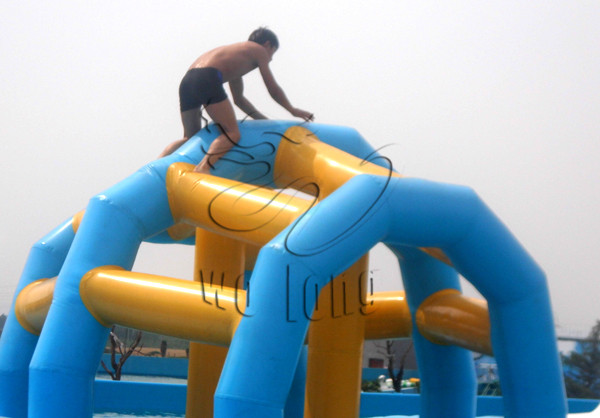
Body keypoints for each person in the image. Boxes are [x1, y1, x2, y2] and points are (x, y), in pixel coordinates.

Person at [159, 27, 314, 173]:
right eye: (272, 53)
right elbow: (272, 88)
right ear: (267, 44)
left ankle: (156, 166)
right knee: (231, 134)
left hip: (188, 80)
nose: (270, 59)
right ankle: (203, 169)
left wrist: (264, 122)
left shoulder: (236, 57)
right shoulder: (258, 50)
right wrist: (292, 110)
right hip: (207, 77)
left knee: (189, 137)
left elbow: (239, 100)